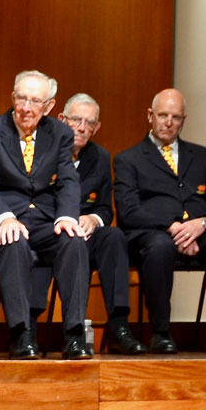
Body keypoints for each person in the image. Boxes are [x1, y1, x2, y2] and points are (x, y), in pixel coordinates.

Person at [114, 89, 206, 353]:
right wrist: (172, 226)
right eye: (163, 115)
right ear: (150, 116)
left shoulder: (203, 156)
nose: (168, 122)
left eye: (175, 117)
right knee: (160, 246)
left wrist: (201, 225)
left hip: (200, 230)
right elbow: (128, 212)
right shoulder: (128, 159)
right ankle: (161, 332)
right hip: (152, 233)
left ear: (183, 120)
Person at [0, 70, 92, 360]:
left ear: (49, 106)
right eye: (21, 98)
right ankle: (22, 335)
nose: (26, 107)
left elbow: (67, 181)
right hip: (5, 221)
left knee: (74, 242)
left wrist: (66, 217)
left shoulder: (60, 134)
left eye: (35, 101)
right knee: (13, 244)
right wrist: (5, 218)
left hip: (47, 220)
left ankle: (74, 336)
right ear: (13, 98)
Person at [51, 93, 145, 354]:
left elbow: (105, 207)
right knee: (72, 244)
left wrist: (93, 218)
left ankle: (119, 327)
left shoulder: (101, 157)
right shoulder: (46, 152)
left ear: (97, 127)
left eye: (89, 123)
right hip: (53, 234)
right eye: (76, 120)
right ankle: (74, 332)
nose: (82, 127)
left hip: (87, 233)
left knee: (114, 236)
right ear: (61, 119)